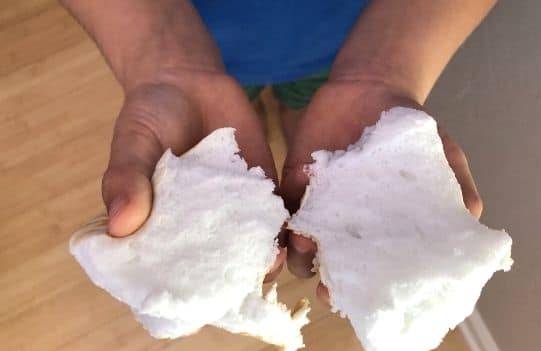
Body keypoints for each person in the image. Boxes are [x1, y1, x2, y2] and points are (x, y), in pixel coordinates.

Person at [61, 0, 492, 303]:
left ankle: (287, 130)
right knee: (227, 123)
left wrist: (386, 70)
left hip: (352, 37)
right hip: (189, 34)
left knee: (307, 125)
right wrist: (160, 56)